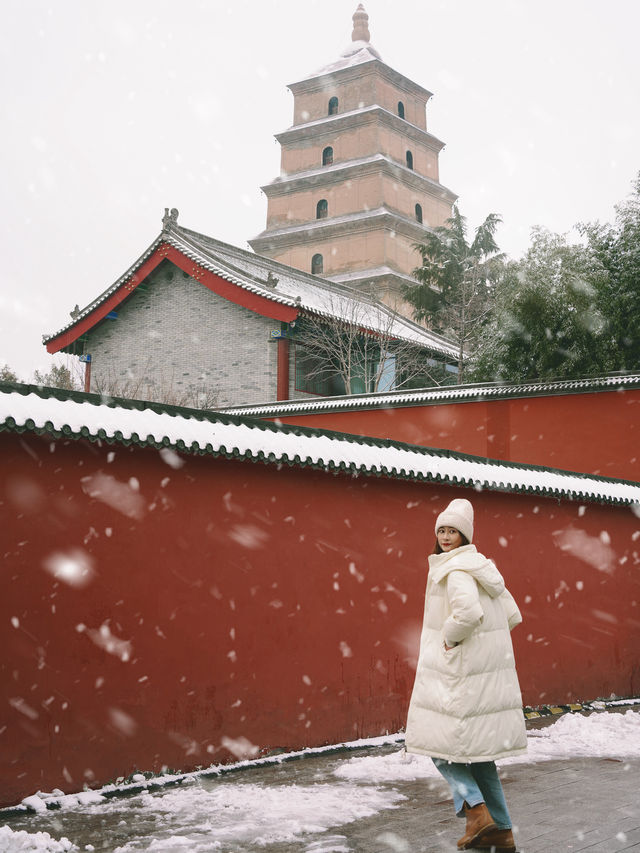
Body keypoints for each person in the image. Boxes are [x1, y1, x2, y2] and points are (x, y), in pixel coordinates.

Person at [405, 498, 526, 852]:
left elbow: (469, 614)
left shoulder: (455, 569)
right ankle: (501, 832)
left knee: (439, 747)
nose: (445, 536)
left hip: (457, 675)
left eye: (452, 530)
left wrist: (449, 639)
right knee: (481, 757)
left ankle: (476, 811)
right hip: (483, 678)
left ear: (464, 535)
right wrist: (484, 651)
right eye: (441, 529)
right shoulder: (481, 567)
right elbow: (512, 615)